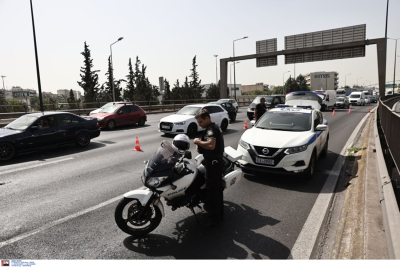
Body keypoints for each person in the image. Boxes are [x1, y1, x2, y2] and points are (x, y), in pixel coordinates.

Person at [193, 109, 224, 226]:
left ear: (207, 118)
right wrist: (201, 146)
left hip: (213, 165)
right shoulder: (212, 128)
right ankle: (219, 215)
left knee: (212, 192)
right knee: (217, 191)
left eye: (200, 122)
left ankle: (214, 220)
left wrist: (197, 141)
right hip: (214, 163)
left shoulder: (211, 129)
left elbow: (211, 145)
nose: (199, 124)